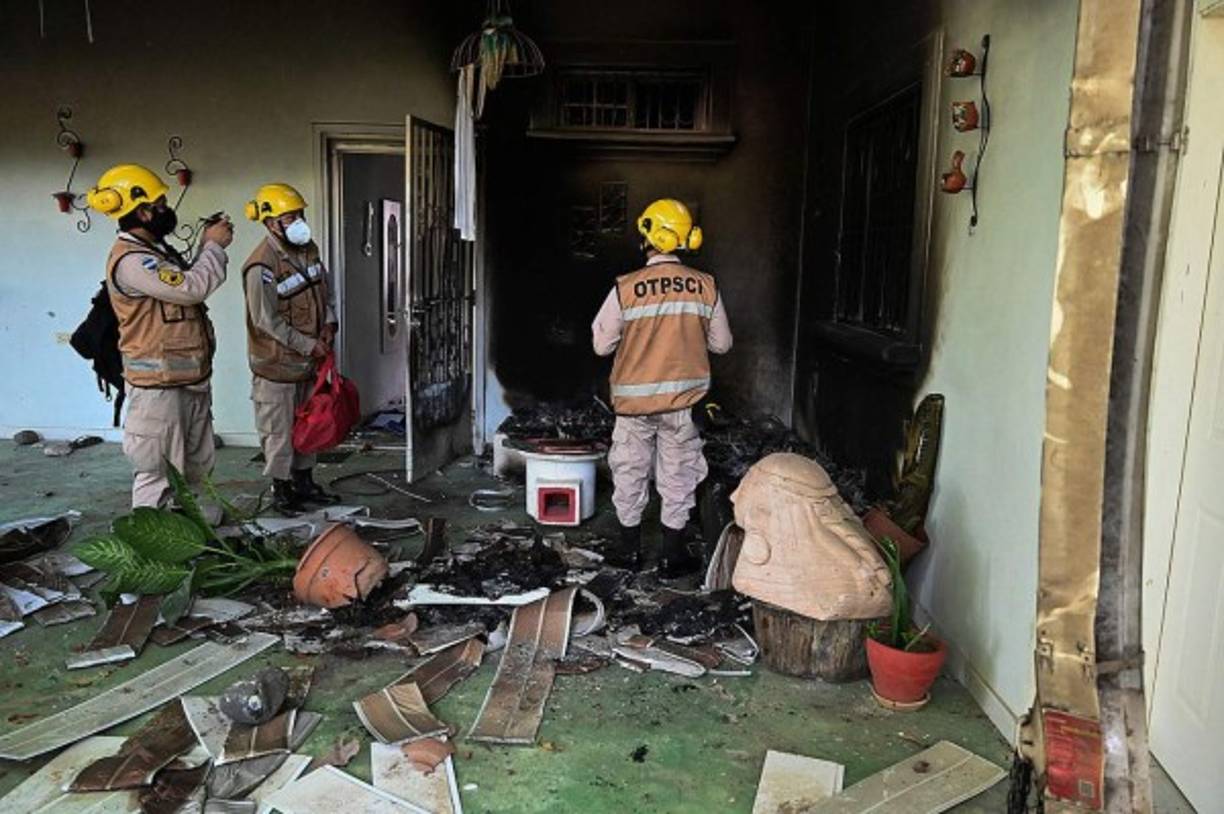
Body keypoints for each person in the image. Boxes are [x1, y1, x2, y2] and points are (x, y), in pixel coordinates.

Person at [591, 198, 733, 576]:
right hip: (683, 407)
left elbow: (601, 345)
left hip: (634, 407)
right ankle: (673, 556)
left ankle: (628, 552)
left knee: (630, 471)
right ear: (688, 239)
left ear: (650, 236)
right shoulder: (705, 287)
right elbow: (722, 344)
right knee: (679, 474)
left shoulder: (625, 287)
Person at [86, 164, 233, 508]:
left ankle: (189, 535)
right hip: (157, 388)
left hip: (186, 379)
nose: (167, 209)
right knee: (157, 473)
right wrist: (213, 247)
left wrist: (203, 247)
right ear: (141, 211)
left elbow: (183, 284)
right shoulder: (133, 261)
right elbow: (192, 289)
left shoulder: (156, 252)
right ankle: (157, 549)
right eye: (161, 204)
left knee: (195, 466)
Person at [242, 183, 339, 515]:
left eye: (299, 214)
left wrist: (329, 323)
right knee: (278, 431)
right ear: (271, 223)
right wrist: (308, 345)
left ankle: (305, 482)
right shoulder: (261, 265)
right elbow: (265, 321)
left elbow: (324, 291)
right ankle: (281, 490)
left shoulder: (308, 250)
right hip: (277, 366)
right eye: (289, 217)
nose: (298, 222)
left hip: (308, 363)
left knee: (307, 427)